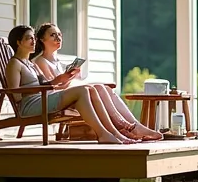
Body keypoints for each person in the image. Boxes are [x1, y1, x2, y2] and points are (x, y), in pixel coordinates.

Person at [3, 25, 133, 145]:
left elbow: (46, 84)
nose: (33, 41)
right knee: (82, 91)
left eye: (33, 38)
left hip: (43, 98)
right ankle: (103, 134)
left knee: (89, 89)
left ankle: (113, 132)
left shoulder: (30, 63)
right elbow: (16, 95)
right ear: (18, 42)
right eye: (28, 38)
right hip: (31, 105)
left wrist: (62, 78)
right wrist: (43, 89)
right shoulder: (14, 64)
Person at [32, 22, 163, 141]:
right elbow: (52, 88)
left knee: (104, 88)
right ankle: (124, 126)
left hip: (71, 95)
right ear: (42, 40)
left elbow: (64, 84)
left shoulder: (57, 61)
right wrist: (67, 79)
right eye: (53, 35)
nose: (58, 38)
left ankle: (134, 125)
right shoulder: (41, 61)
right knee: (98, 88)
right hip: (62, 99)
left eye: (60, 34)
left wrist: (71, 76)